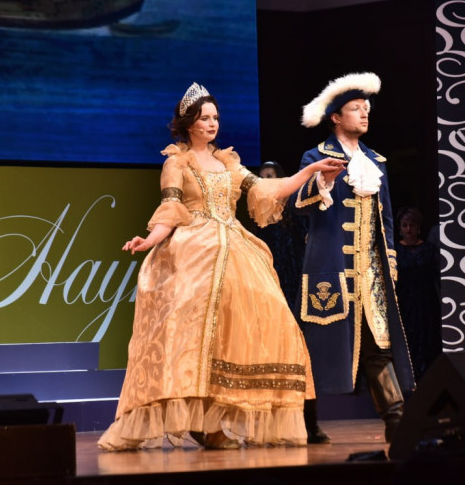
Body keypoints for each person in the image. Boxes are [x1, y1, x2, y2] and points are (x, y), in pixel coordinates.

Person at [97, 82, 346, 451]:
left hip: (235, 248)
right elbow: (171, 210)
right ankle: (204, 423)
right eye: (204, 118)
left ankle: (217, 421)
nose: (212, 124)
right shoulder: (177, 163)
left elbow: (267, 190)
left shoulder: (229, 163)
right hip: (194, 250)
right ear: (189, 124)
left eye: (215, 117)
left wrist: (310, 171)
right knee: (196, 336)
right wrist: (148, 240)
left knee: (256, 323)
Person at [292, 72, 415, 444]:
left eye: (366, 108)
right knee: (318, 347)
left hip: (370, 273)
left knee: (380, 346)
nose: (364, 114)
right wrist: (323, 182)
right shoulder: (316, 156)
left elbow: (386, 218)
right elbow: (299, 204)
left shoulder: (375, 161)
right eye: (355, 109)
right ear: (336, 117)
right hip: (329, 269)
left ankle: (397, 421)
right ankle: (307, 423)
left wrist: (389, 262)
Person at [394, 206, 442, 382]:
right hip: (404, 303)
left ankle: (428, 380)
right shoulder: (395, 251)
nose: (409, 229)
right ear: (400, 228)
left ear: (419, 227)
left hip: (426, 303)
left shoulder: (429, 249)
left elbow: (437, 275)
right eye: (405, 225)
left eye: (412, 225)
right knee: (408, 341)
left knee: (428, 339)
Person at [253, 161, 308, 311]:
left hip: (294, 262)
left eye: (269, 176)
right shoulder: (260, 206)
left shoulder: (293, 199)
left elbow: (303, 231)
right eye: (262, 177)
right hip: (273, 263)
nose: (265, 181)